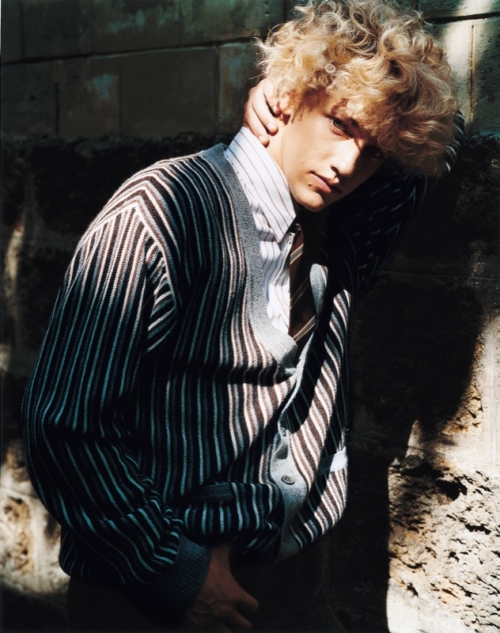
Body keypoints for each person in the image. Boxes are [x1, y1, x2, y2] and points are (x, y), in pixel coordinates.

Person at [22, 1, 463, 631]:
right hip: (154, 596)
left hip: (298, 588)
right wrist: (171, 572)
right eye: (341, 125)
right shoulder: (163, 211)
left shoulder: (342, 233)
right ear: (293, 95)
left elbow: (439, 142)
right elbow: (63, 425)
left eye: (372, 153)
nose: (347, 165)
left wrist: (354, 111)